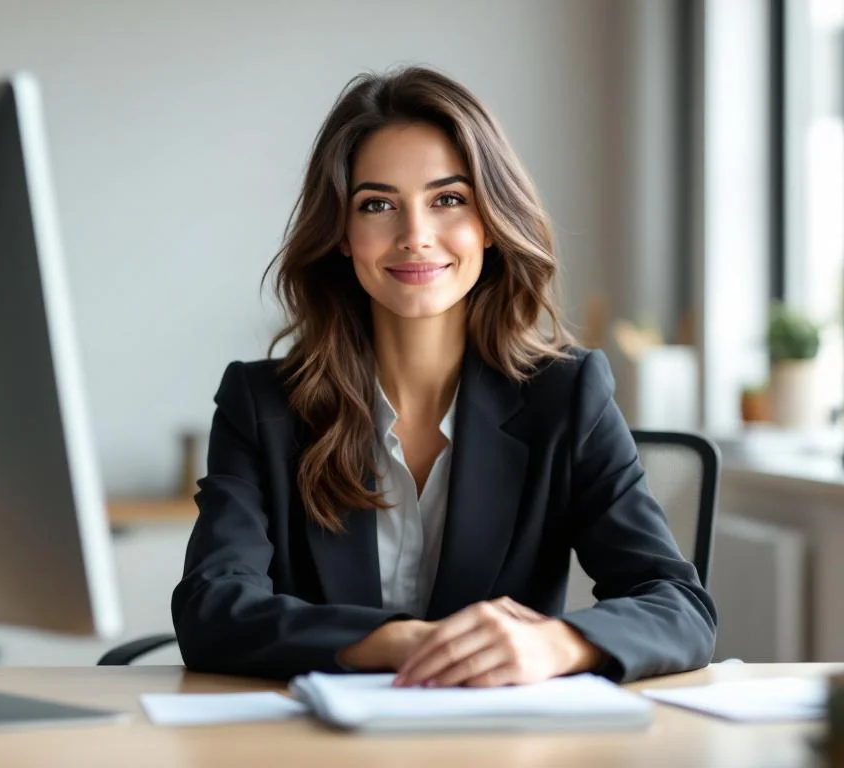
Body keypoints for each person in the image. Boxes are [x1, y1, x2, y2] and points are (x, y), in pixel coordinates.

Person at [172, 66, 716, 687]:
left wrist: (558, 645)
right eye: (377, 205)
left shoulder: (566, 396)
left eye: (448, 199)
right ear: (343, 235)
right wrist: (398, 642)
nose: (415, 236)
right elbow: (210, 610)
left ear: (489, 223)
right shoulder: (262, 404)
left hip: (503, 746)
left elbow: (679, 606)